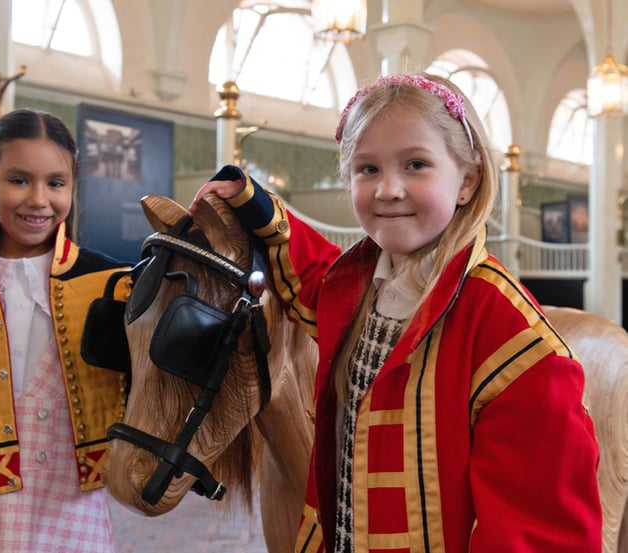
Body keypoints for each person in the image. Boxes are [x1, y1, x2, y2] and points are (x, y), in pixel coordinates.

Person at [191, 74, 602, 552]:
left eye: (415, 164)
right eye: (367, 169)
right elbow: (316, 273)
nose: (388, 189)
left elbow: (537, 525)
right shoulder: (360, 283)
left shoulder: (506, 330)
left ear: (467, 181)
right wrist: (255, 205)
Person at [0, 108, 132, 552]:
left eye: (56, 183)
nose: (39, 199)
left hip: (73, 507)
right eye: (19, 180)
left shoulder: (115, 284)